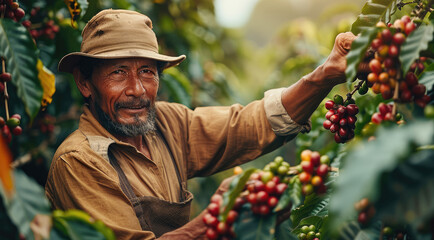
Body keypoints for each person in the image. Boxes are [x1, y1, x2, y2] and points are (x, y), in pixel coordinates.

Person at [45, 9, 356, 239]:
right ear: (85, 83)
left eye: (147, 72)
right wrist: (215, 218)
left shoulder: (167, 124)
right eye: (118, 73)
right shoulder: (79, 162)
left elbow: (250, 124)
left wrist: (325, 74)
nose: (136, 90)